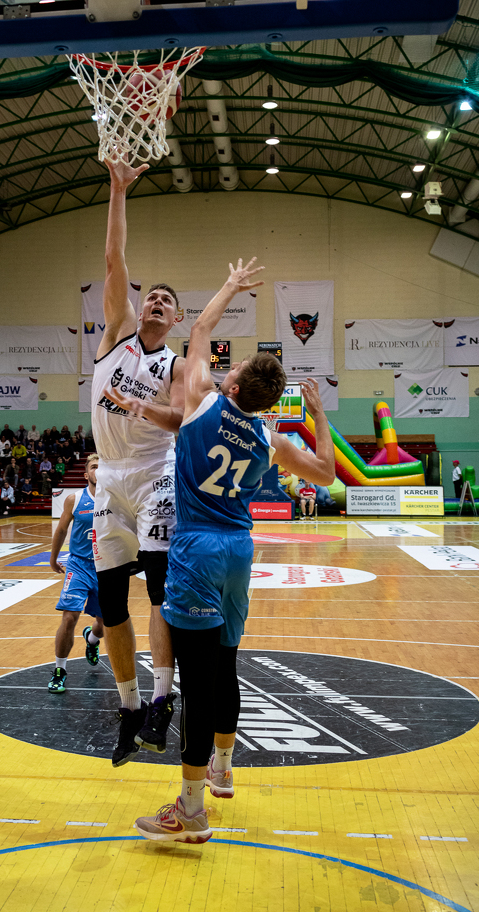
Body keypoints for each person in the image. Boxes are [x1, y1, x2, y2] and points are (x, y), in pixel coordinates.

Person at [133, 258, 335, 844]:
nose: (228, 368)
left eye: (236, 367)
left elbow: (198, 331)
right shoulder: (272, 440)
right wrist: (320, 414)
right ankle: (222, 767)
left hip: (196, 551)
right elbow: (326, 472)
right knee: (225, 665)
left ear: (236, 386)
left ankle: (191, 810)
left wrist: (229, 285)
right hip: (239, 553)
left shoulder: (200, 402)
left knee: (198, 684)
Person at [90, 158, 186, 768]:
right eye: (151, 294)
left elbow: (181, 422)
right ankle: (128, 708)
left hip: (156, 476)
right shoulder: (116, 334)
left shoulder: (175, 365)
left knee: (157, 591)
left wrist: (142, 407)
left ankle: (161, 698)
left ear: (175, 319)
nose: (154, 300)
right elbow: (114, 262)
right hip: (109, 477)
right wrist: (118, 189)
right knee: (109, 601)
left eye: (166, 301)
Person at [48, 454, 104, 693]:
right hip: (79, 565)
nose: (98, 470)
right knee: (69, 617)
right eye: (94, 466)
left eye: (102, 466)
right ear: (86, 474)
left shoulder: (116, 498)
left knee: (104, 624)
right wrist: (53, 558)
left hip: (105, 567)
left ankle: (92, 639)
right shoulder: (75, 499)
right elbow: (61, 530)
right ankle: (59, 670)